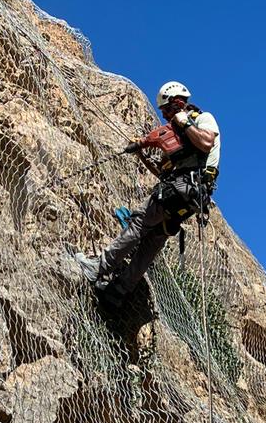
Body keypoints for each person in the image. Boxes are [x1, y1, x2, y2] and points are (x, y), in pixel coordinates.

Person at [76, 80, 221, 303]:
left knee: (138, 223)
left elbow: (206, 142)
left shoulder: (202, 119)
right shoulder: (183, 140)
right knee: (152, 241)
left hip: (181, 190)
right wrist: (142, 154)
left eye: (166, 110)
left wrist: (184, 123)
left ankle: (98, 267)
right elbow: (163, 173)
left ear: (177, 103)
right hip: (186, 197)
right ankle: (119, 291)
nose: (165, 117)